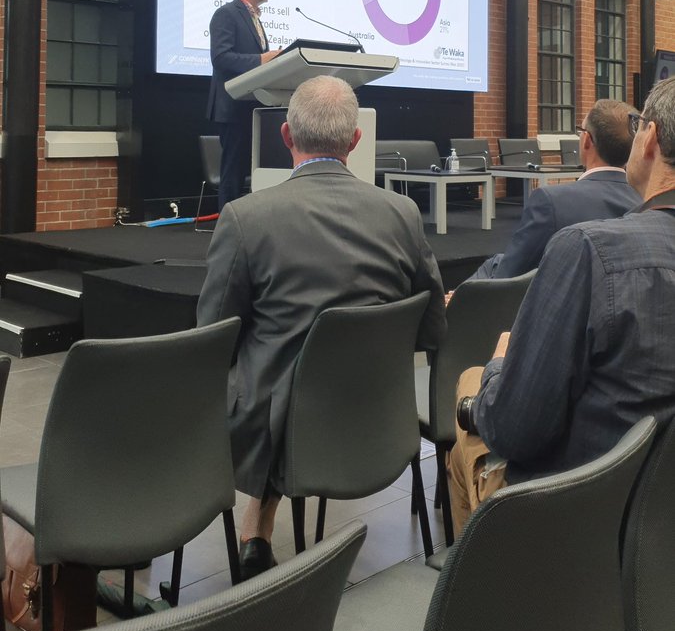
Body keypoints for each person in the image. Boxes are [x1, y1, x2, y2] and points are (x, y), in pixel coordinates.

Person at [197, 75, 447, 578]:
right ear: (355, 141)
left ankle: (254, 530)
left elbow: (212, 341)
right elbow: (431, 331)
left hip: (279, 431)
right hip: (379, 418)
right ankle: (257, 526)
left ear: (286, 135)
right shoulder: (402, 213)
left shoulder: (245, 218)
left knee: (261, 365)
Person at [447, 76, 675, 535]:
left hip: (582, 519)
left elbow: (514, 430)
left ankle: (496, 576)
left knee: (468, 409)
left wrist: (496, 369)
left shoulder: (587, 250)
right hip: (659, 520)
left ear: (649, 137)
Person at [470, 99, 640, 280]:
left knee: (491, 268)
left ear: (586, 141)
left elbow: (509, 275)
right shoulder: (645, 201)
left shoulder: (551, 202)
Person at [206, 0, 282, 208]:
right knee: (233, 172)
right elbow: (221, 58)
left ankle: (249, 222)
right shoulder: (226, 14)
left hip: (254, 107)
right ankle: (228, 223)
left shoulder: (256, 19)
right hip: (233, 106)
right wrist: (262, 59)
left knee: (255, 170)